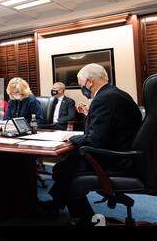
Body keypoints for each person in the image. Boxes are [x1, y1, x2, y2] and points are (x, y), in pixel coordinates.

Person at [42, 63, 142, 225]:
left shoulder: (104, 99)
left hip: (116, 160)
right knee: (69, 164)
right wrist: (90, 115)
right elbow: (109, 128)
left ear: (89, 81)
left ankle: (83, 218)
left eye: (81, 84)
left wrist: (71, 137)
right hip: (125, 153)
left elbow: (94, 140)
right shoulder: (116, 94)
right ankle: (57, 206)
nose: (82, 87)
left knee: (63, 169)